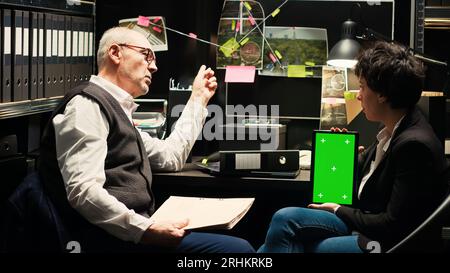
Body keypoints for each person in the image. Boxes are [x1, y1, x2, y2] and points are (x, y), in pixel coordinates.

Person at [38, 26, 255, 253]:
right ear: (115, 53)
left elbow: (170, 157)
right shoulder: (87, 106)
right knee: (238, 251)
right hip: (108, 239)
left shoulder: (116, 111)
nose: (154, 65)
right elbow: (84, 191)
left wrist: (198, 100)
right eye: (146, 55)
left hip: (131, 231)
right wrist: (146, 230)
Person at [258, 41, 449, 253]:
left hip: (387, 242)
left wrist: (338, 209)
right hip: (365, 222)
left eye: (362, 86)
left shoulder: (414, 145)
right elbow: (370, 175)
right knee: (283, 222)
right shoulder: (393, 127)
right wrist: (341, 154)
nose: (358, 95)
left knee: (293, 235)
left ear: (382, 94)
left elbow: (392, 224)